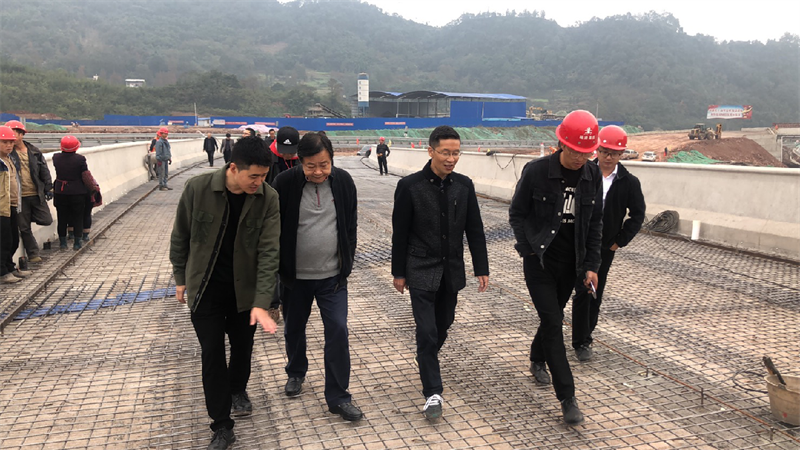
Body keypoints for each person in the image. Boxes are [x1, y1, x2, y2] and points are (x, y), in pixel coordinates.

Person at [169, 136, 280, 450]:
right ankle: (221, 424)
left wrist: (262, 300)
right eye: (253, 176)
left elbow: (270, 252)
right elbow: (180, 235)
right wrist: (180, 277)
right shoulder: (197, 189)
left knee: (243, 347)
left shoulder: (268, 198)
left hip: (244, 293)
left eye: (264, 176)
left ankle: (237, 389)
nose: (258, 183)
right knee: (212, 354)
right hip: (206, 290)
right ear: (233, 168)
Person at [508, 110, 604, 425]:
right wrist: (527, 249)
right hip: (540, 261)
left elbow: (595, 224)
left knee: (553, 316)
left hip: (572, 263)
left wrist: (591, 265)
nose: (580, 158)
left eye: (586, 152)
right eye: (575, 150)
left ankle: (537, 358)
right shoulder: (537, 171)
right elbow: (517, 213)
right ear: (561, 143)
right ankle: (568, 397)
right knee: (553, 322)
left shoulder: (593, 175)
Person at [391, 125, 490, 420]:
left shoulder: (464, 186)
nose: (451, 159)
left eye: (456, 153)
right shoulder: (410, 186)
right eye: (445, 152)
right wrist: (399, 272)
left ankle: (426, 357)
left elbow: (475, 229)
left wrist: (481, 267)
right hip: (420, 268)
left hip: (451, 271)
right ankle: (433, 393)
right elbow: (400, 233)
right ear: (431, 151)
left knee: (443, 324)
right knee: (427, 331)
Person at [272, 132, 362, 422]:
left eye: (324, 165)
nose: (319, 172)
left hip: (332, 277)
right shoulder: (284, 183)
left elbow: (350, 224)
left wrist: (347, 262)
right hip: (295, 277)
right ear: (300, 161)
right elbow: (272, 228)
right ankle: (296, 372)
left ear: (332, 160)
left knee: (337, 330)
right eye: (311, 166)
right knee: (294, 328)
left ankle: (339, 397)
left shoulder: (344, 181)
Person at [572, 126, 645, 361]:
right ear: (597, 150)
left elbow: (637, 215)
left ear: (621, 153)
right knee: (571, 290)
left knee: (591, 291)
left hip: (604, 247)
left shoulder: (628, 182)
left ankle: (583, 340)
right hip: (575, 241)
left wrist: (618, 242)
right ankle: (559, 333)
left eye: (614, 153)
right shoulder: (582, 173)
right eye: (604, 151)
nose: (608, 157)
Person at [265, 126, 301, 322]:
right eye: (284, 151)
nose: (287, 155)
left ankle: (287, 301)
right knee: (272, 263)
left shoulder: (302, 161)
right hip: (272, 219)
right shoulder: (267, 159)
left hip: (295, 220)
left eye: (291, 151)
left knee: (290, 263)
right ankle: (272, 304)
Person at [6, 120, 53, 264]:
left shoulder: (34, 151)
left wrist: (48, 187)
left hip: (36, 193)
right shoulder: (8, 154)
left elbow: (44, 170)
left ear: (21, 135)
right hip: (19, 197)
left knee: (46, 219)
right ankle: (33, 254)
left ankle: (27, 216)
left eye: (14, 134)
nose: (11, 139)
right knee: (24, 227)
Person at [0, 126, 30, 283]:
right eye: (4, 142)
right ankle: (2, 272)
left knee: (12, 240)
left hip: (11, 205)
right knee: (3, 241)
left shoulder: (9, 159)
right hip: (1, 208)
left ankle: (9, 267)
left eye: (11, 142)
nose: (9, 145)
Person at [52, 136, 91, 251]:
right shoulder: (80, 159)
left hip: (60, 191)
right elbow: (85, 174)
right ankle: (77, 243)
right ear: (76, 147)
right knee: (78, 217)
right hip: (77, 192)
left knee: (62, 217)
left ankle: (63, 243)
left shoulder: (56, 157)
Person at [155, 127, 172, 191]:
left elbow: (168, 150)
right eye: (165, 134)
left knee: (165, 173)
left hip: (166, 159)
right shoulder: (159, 142)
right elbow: (158, 152)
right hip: (161, 160)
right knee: (162, 173)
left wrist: (169, 158)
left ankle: (165, 185)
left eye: (166, 134)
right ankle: (161, 186)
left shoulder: (166, 142)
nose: (166, 135)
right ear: (161, 134)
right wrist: (159, 159)